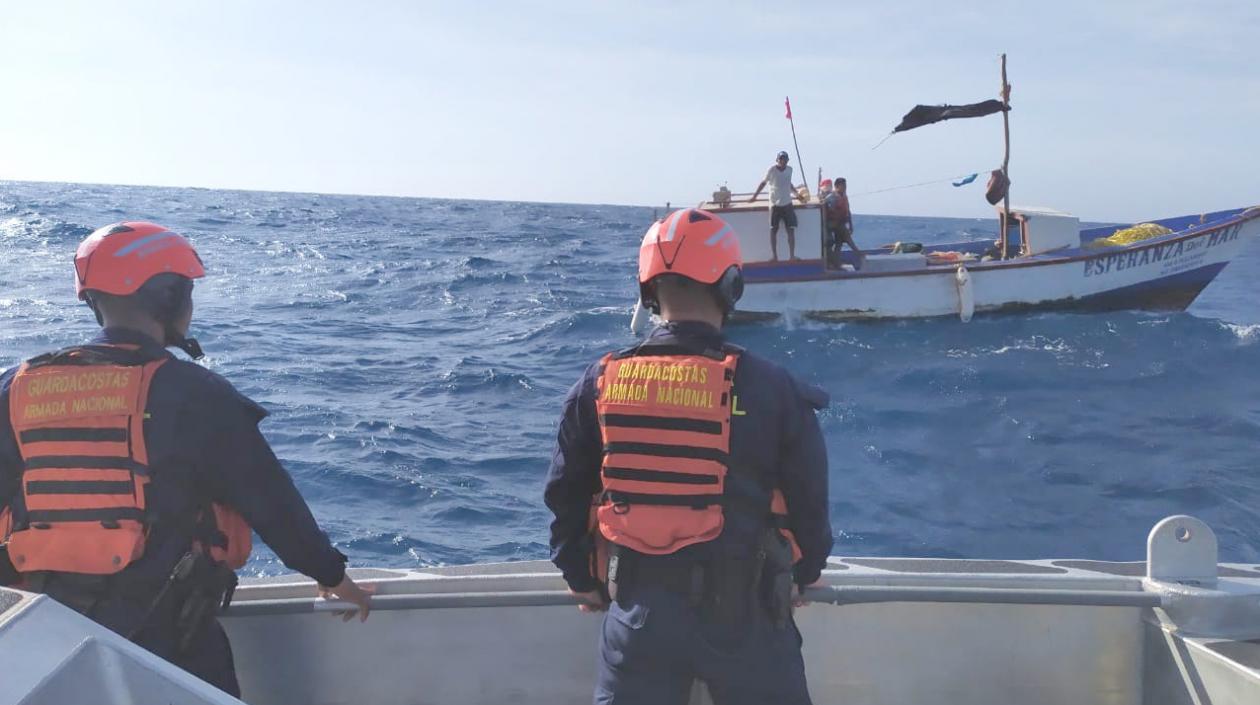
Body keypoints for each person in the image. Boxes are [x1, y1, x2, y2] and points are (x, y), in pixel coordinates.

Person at [0, 221, 373, 697]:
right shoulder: (196, 395)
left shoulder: (18, 386)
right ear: (170, 299)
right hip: (168, 638)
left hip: (43, 635)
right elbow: (272, 504)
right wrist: (332, 575)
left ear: (94, 302)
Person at [544, 208, 833, 705]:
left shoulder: (599, 384)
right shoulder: (775, 390)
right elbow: (810, 504)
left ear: (648, 290)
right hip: (750, 619)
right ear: (732, 287)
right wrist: (803, 577)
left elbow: (565, 494)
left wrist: (581, 578)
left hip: (638, 617)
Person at [749, 151, 809, 260]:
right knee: (773, 230)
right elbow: (764, 183)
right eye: (781, 159)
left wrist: (797, 195)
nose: (783, 161)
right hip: (774, 204)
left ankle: (792, 256)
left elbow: (789, 184)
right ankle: (774, 256)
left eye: (785, 159)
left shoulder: (790, 170)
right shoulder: (772, 170)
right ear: (777, 160)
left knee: (790, 229)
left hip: (787, 203)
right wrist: (755, 196)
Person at [824, 177, 864, 269]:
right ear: (837, 186)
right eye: (843, 186)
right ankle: (858, 253)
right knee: (847, 238)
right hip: (833, 224)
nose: (845, 187)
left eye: (846, 186)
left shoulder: (844, 196)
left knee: (839, 244)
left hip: (841, 223)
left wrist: (850, 224)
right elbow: (826, 210)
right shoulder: (832, 197)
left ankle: (836, 263)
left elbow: (847, 211)